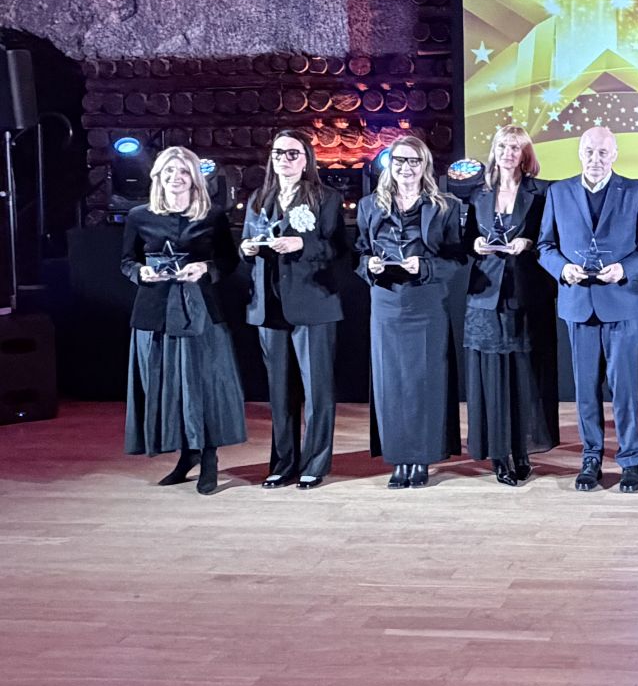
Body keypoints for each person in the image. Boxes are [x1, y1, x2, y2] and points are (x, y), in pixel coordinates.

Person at [537, 126, 638, 493]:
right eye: (589, 151)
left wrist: (625, 269)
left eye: (603, 152)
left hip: (621, 302)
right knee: (585, 388)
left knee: (624, 388)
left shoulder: (634, 192)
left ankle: (630, 460)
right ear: (580, 153)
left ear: (615, 155)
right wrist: (562, 269)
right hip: (578, 303)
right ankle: (591, 458)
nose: (595, 159)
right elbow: (545, 246)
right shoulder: (558, 192)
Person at [122, 146, 247, 495]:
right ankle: (186, 455)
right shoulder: (139, 216)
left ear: (194, 178)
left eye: (182, 172)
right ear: (158, 177)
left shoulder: (212, 216)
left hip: (199, 309)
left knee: (203, 385)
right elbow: (127, 261)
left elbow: (229, 261)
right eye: (169, 171)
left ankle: (208, 457)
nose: (175, 178)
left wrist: (205, 268)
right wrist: (141, 272)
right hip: (154, 311)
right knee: (166, 386)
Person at [354, 136, 463, 489]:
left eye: (414, 161)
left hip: (426, 303)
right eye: (399, 160)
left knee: (423, 382)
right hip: (386, 303)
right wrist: (368, 265)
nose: (406, 167)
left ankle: (422, 458)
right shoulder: (370, 205)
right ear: (390, 165)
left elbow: (456, 259)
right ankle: (399, 458)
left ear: (425, 165)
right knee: (391, 384)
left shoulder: (445, 206)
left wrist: (425, 267)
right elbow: (359, 252)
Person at [241, 129, 347, 490]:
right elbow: (247, 242)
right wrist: (247, 249)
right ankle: (283, 462)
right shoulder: (259, 198)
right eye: (278, 153)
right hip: (268, 305)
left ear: (306, 160)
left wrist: (301, 243)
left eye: (292, 153)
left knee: (317, 391)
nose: (284, 159)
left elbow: (337, 249)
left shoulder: (325, 197)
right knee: (279, 392)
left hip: (313, 302)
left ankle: (315, 463)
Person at [464, 125, 559, 487]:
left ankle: (522, 451)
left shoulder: (543, 193)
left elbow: (552, 237)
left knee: (524, 376)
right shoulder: (478, 194)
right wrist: (475, 243)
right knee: (492, 377)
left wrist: (529, 243)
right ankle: (498, 453)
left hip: (527, 293)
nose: (508, 152)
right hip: (485, 296)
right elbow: (465, 241)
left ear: (525, 155)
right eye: (502, 146)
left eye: (515, 147)